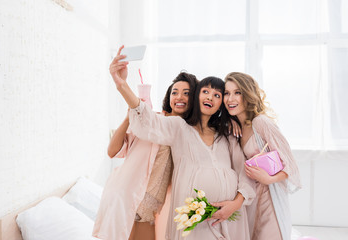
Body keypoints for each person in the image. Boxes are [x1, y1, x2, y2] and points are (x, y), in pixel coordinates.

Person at [108, 46, 255, 240]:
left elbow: (245, 171)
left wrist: (236, 204)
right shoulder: (178, 128)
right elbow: (147, 120)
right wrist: (122, 85)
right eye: (205, 91)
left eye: (217, 95)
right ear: (198, 96)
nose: (210, 97)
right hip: (192, 226)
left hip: (227, 221)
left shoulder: (227, 135)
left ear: (221, 104)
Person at [92, 59, 198, 239]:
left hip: (148, 209)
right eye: (175, 92)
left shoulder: (187, 131)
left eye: (186, 93)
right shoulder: (150, 120)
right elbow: (112, 151)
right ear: (169, 97)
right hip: (127, 198)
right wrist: (128, 116)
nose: (179, 97)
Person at [223, 72, 301, 240]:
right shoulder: (236, 127)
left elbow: (291, 164)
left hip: (270, 199)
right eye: (226, 93)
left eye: (237, 92)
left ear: (248, 94)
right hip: (251, 199)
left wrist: (269, 179)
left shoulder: (261, 123)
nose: (230, 99)